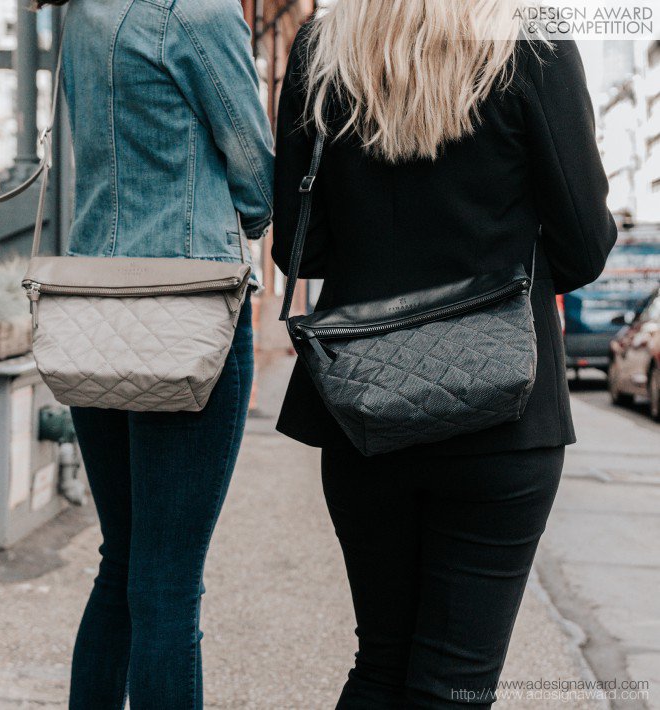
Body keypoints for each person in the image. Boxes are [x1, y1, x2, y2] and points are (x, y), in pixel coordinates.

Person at [272, 2, 617, 707]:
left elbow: (299, 247)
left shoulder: (321, 46)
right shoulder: (532, 39)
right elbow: (584, 243)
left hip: (364, 400)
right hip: (504, 407)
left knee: (380, 666)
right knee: (454, 684)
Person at [34, 0, 273, 707]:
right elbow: (257, 173)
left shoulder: (83, 14)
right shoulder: (199, 13)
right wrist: (250, 218)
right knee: (169, 583)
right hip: (187, 317)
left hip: (96, 317)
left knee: (123, 567)